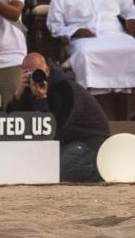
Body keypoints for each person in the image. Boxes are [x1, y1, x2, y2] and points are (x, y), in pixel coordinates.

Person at [46, 0, 135, 119]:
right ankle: (86, 110)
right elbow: (54, 25)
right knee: (85, 55)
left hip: (115, 35)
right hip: (84, 40)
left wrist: (134, 20)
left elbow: (131, 9)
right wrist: (75, 31)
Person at [11, 52, 109, 183]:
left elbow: (53, 129)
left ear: (47, 70)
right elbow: (13, 120)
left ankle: (106, 170)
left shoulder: (66, 90)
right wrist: (18, 94)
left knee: (60, 171)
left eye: (38, 72)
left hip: (89, 140)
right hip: (65, 141)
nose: (35, 77)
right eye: (29, 73)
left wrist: (41, 98)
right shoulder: (29, 88)